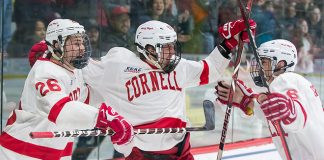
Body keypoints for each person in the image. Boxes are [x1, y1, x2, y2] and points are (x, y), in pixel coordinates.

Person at [82, 19, 256, 159]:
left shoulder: (178, 67)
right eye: (166, 47)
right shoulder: (117, 66)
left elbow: (209, 70)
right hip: (141, 154)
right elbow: (79, 68)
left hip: (180, 152)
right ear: (148, 48)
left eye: (173, 46)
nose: (172, 52)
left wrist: (229, 42)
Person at [0, 19, 133, 160]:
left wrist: (121, 108)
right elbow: (61, 109)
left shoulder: (74, 70)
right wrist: (104, 117)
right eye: (76, 43)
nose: (82, 48)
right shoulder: (45, 71)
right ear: (57, 45)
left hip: (57, 151)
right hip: (21, 152)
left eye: (82, 42)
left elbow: (85, 100)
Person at [215, 39, 324, 159]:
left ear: (281, 64)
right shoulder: (293, 83)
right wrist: (245, 101)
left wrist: (290, 112)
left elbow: (298, 115)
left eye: (264, 61)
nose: (259, 66)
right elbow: (275, 114)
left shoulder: (284, 80)